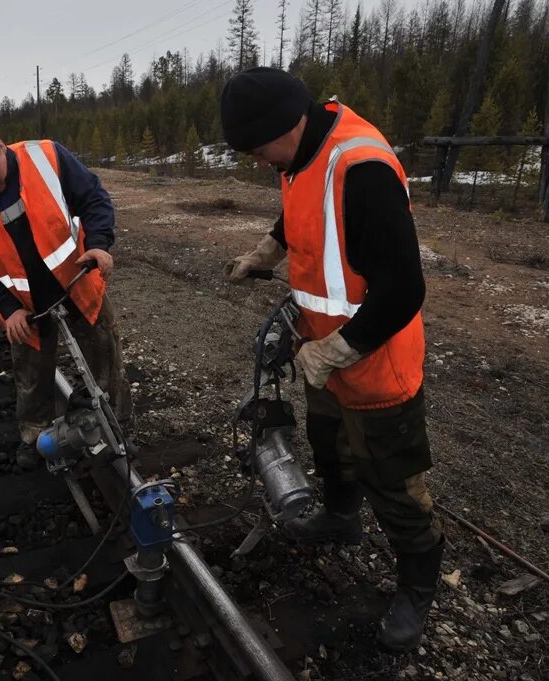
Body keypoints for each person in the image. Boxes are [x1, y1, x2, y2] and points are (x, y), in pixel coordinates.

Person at [220, 67, 444, 652]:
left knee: (394, 483)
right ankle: (342, 519)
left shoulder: (362, 168)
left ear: (288, 124)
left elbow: (403, 291)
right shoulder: (297, 152)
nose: (258, 159)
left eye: (258, 147)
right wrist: (267, 249)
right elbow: (303, 207)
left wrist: (338, 350)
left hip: (375, 363)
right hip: (323, 354)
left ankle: (417, 587)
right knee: (329, 444)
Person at [0, 117, 132, 468]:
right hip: (24, 308)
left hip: (78, 283)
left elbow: (94, 199)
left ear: (1, 145)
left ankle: (117, 427)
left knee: (105, 356)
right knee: (30, 377)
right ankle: (34, 437)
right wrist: (6, 308)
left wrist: (101, 245)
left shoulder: (47, 157)